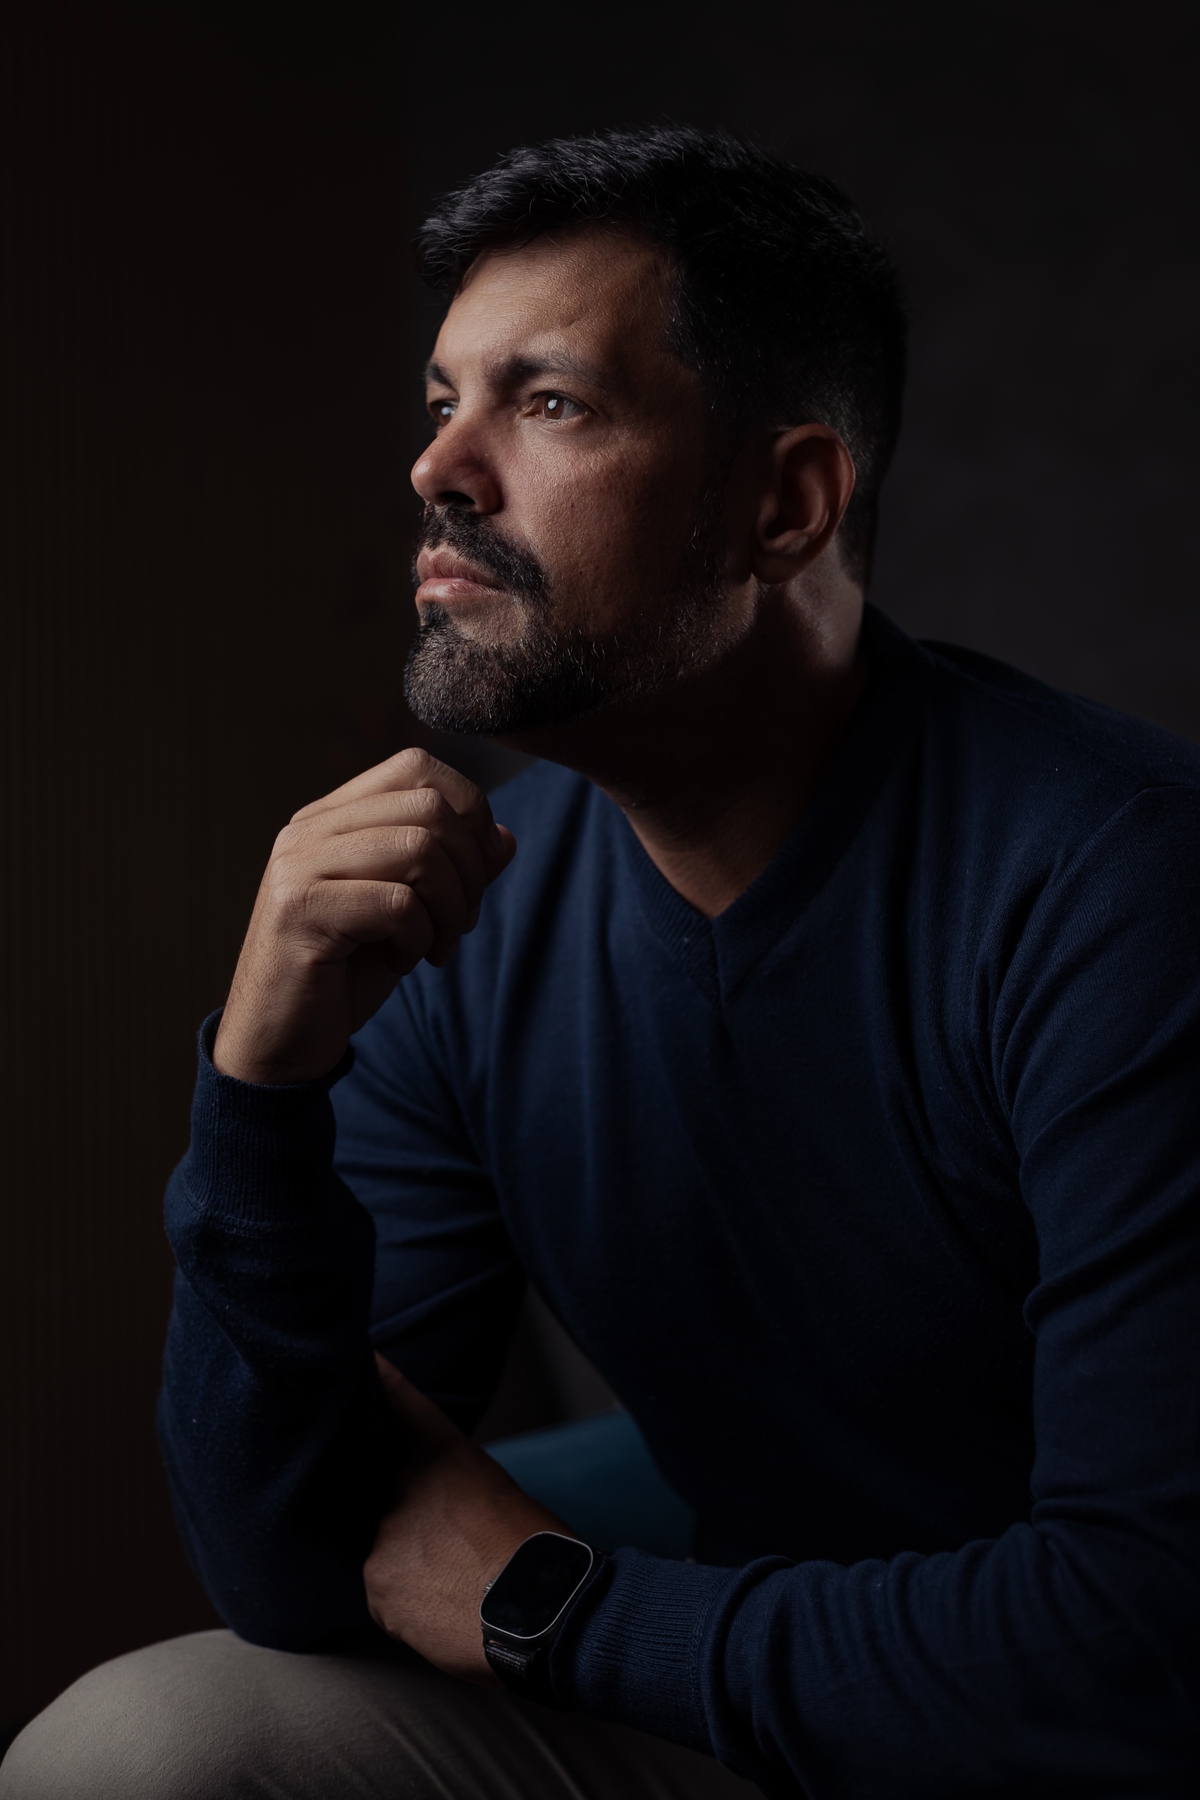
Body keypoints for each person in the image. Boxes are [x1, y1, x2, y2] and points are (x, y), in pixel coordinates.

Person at [6, 123, 1200, 1800]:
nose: (438, 467)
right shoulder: (461, 915)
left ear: (784, 505)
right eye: (442, 401)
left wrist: (549, 1605)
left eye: (549, 402)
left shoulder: (1123, 887)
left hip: (1080, 1743)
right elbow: (291, 1570)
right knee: (136, 1752)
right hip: (756, 1687)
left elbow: (1145, 1651)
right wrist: (260, 1086)